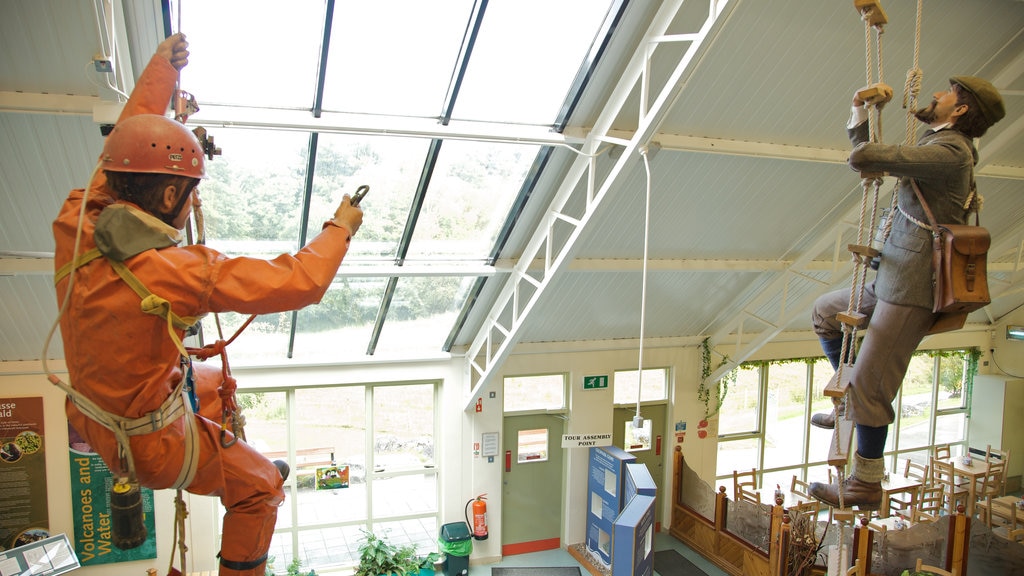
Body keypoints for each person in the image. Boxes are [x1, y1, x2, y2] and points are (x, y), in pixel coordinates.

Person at [52, 33, 363, 576]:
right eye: (190, 191)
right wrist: (342, 227)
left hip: (93, 419)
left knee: (211, 376)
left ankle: (230, 450)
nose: (192, 200)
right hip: (150, 447)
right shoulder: (175, 274)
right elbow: (301, 281)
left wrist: (161, 72)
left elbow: (119, 150)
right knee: (261, 487)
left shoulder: (75, 224)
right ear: (171, 197)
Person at [807, 76, 1005, 509]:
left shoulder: (951, 153)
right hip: (891, 278)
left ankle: (865, 483)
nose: (936, 94)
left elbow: (864, 158)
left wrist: (863, 114)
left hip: (911, 291)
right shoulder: (941, 146)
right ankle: (848, 390)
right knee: (826, 311)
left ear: (961, 111)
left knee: (873, 389)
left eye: (947, 93)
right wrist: (860, 111)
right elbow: (871, 162)